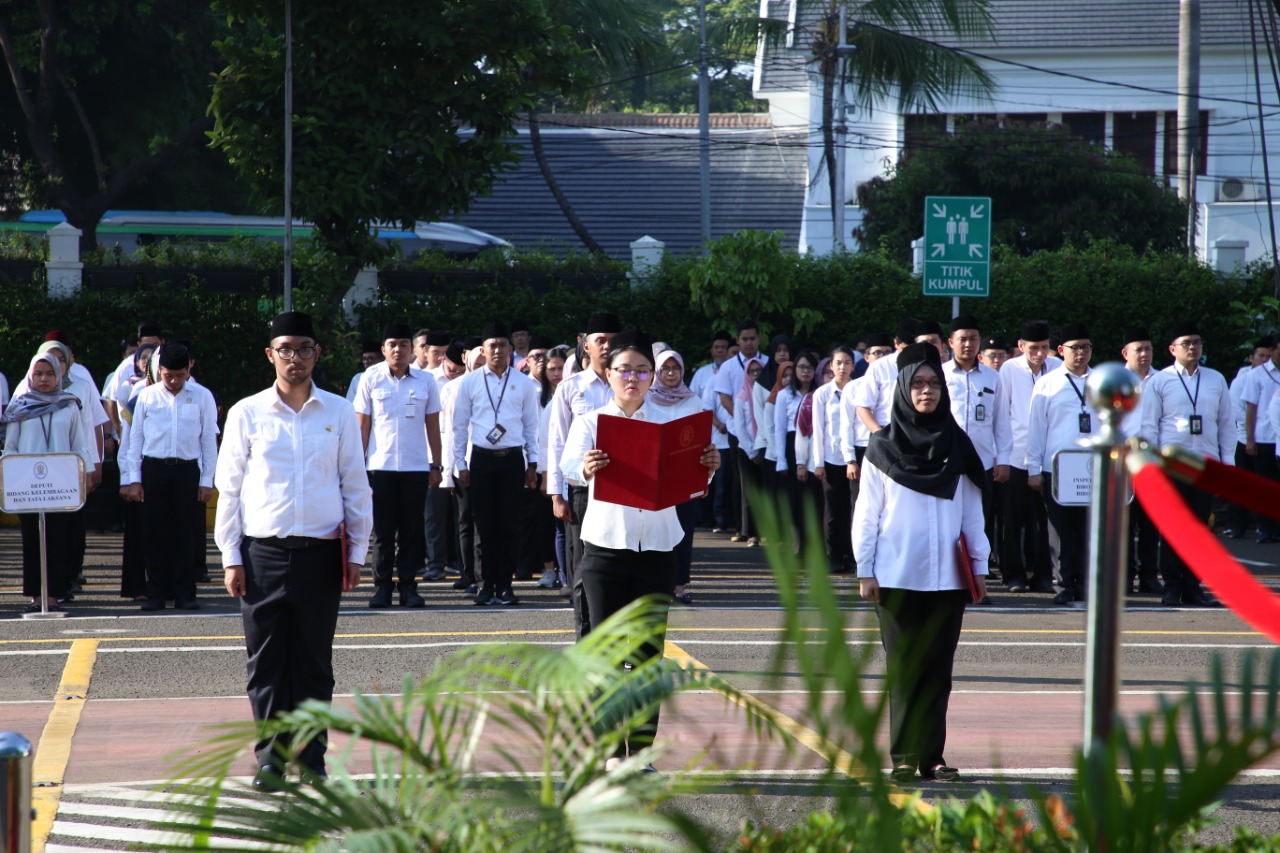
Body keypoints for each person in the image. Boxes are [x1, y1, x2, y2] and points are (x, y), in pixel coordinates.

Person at [215, 311, 372, 788]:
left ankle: (311, 758)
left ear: (316, 354)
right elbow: (231, 490)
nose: (295, 358)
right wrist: (231, 555)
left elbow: (355, 485)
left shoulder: (339, 413)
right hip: (262, 554)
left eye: (304, 348)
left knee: (312, 664)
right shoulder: (247, 412)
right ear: (270, 355)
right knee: (264, 664)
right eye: (285, 349)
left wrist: (358, 553)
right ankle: (269, 758)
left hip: (321, 555)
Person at [561, 330, 720, 771]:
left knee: (648, 655)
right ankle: (612, 753)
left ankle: (644, 754)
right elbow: (569, 468)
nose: (633, 378)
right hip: (606, 549)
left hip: (657, 548)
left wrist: (707, 468)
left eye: (642, 370)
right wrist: (585, 467)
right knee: (610, 655)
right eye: (624, 370)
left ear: (653, 377)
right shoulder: (590, 421)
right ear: (607, 374)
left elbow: (693, 487)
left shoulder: (672, 423)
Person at [853, 342, 989, 784]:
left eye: (933, 383)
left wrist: (981, 565)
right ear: (902, 389)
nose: (926, 390)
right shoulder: (882, 446)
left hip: (948, 578)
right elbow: (867, 514)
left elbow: (971, 512)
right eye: (917, 383)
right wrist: (864, 569)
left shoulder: (958, 445)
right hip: (896, 576)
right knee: (904, 669)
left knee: (938, 671)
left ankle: (932, 756)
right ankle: (905, 756)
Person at [119, 343, 219, 611]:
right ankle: (156, 593)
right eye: (168, 375)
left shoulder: (202, 396)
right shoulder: (147, 396)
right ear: (159, 370)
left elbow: (209, 440)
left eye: (180, 375)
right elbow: (135, 440)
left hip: (187, 470)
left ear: (189, 370)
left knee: (186, 535)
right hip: (154, 470)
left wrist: (207, 481)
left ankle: (185, 593)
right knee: (154, 534)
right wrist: (135, 479)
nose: (174, 381)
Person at [1143, 322, 1233, 607]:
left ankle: (1194, 587)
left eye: (1197, 342)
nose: (1192, 347)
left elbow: (1226, 424)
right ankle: (1171, 587)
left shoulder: (1215, 379)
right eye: (1186, 343)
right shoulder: (1160, 381)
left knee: (1198, 530)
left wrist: (1227, 465)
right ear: (1172, 349)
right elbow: (1149, 426)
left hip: (1205, 465)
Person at [451, 322, 541, 606]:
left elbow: (531, 426)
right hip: (480, 460)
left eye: (503, 345)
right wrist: (459, 464)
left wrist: (533, 463)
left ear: (511, 349)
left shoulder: (524, 383)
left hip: (512, 459)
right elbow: (458, 425)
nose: (498, 350)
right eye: (492, 345)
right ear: (483, 350)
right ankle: (484, 584)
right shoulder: (470, 382)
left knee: (509, 526)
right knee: (483, 526)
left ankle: (505, 585)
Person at [355, 323, 443, 609]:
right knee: (382, 532)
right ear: (383, 350)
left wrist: (436, 465)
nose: (398, 349)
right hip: (379, 467)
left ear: (413, 349)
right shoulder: (370, 378)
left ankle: (408, 587)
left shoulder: (425, 381)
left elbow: (433, 425)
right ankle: (381, 588)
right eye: (392, 344)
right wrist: (357, 466)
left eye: (404, 344)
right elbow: (363, 425)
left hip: (416, 467)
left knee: (411, 531)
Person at [547, 312, 621, 634]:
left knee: (619, 567)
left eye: (612, 341)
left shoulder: (634, 385)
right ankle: (586, 640)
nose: (606, 346)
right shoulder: (571, 388)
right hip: (583, 490)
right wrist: (556, 494)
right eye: (600, 340)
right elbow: (557, 442)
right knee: (583, 570)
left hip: (625, 491)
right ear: (585, 345)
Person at [3, 353, 93, 613]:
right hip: (26, 486)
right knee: (33, 539)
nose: (44, 379)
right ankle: (35, 594)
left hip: (61, 485)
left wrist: (83, 475)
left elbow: (79, 444)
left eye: (50, 374)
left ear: (59, 376)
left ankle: (54, 593)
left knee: (58, 539)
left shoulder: (69, 405)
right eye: (39, 374)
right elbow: (10, 447)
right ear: (30, 375)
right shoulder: (20, 405)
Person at [1026, 323, 1099, 605]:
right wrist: (1033, 468)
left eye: (1086, 347)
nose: (1080, 353)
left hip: (1092, 467)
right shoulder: (1048, 382)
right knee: (1061, 530)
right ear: (1061, 351)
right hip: (1057, 467)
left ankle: (1087, 584)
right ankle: (1065, 583)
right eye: (1074, 348)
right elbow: (1037, 428)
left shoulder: (1102, 382)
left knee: (1089, 529)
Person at [943, 316, 1008, 596]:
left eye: (973, 338)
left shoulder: (994, 377)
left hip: (981, 462)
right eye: (962, 338)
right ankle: (947, 581)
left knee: (977, 521)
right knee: (947, 521)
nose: (968, 344)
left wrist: (1002, 459)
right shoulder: (939, 374)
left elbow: (1001, 422)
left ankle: (975, 582)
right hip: (945, 462)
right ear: (951, 342)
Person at [995, 321, 1062, 594]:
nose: (1039, 354)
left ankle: (1044, 574)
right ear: (1021, 347)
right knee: (1012, 520)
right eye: (1033, 348)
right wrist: (1002, 457)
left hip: (1047, 457)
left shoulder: (1058, 368)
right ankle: (1014, 574)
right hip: (1016, 454)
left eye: (1044, 348)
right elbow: (1001, 415)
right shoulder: (1009, 369)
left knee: (1046, 520)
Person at [650, 348, 709, 604]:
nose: (671, 373)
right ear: (657, 371)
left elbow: (701, 437)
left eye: (675, 368)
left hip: (684, 476)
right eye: (665, 368)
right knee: (657, 532)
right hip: (656, 477)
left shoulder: (692, 400)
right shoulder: (647, 398)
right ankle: (656, 586)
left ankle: (679, 587)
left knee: (683, 532)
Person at [716, 320, 771, 545]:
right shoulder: (728, 366)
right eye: (744, 339)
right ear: (737, 340)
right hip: (737, 430)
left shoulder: (767, 363)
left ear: (759, 339)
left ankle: (766, 529)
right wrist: (742, 418)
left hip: (765, 432)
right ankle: (743, 528)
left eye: (752, 338)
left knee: (765, 481)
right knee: (741, 481)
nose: (748, 343)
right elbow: (724, 398)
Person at [1118, 328, 1163, 594]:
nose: (1144, 354)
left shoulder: (1163, 379)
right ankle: (1124, 576)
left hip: (1152, 463)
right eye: (1139, 349)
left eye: (1148, 349)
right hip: (1122, 464)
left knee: (1150, 524)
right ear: (1126, 353)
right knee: (1124, 524)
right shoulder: (1114, 380)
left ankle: (1149, 576)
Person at [1224, 336, 1275, 538]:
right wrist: (1250, 433)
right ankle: (1236, 525)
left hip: (1268, 439)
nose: (1264, 360)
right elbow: (1236, 409)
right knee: (1241, 486)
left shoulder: (1273, 376)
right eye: (1261, 355)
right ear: (1251, 358)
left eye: (1268, 356)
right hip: (1244, 438)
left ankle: (1266, 527)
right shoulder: (1242, 379)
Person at [811, 346, 857, 573]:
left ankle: (852, 555)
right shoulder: (822, 394)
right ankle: (833, 556)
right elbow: (818, 430)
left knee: (854, 510)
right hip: (830, 459)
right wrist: (818, 463)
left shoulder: (859, 390)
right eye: (838, 362)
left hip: (854, 460)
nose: (842, 367)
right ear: (831, 365)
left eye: (847, 362)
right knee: (832, 511)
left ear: (853, 366)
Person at [775, 349, 823, 549]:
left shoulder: (819, 393)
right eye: (801, 367)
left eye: (810, 367)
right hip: (791, 444)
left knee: (814, 498)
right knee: (794, 500)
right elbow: (778, 428)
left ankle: (815, 544)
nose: (805, 371)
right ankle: (797, 545)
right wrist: (782, 460)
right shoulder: (785, 394)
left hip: (815, 445)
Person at [688, 331, 735, 533]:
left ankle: (727, 520)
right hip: (712, 435)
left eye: (724, 348)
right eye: (716, 347)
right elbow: (696, 403)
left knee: (728, 483)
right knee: (714, 481)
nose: (720, 351)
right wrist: (719, 425)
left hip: (735, 439)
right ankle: (712, 519)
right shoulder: (704, 374)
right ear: (712, 350)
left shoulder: (738, 372)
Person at [1242, 338, 1280, 543]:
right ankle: (1265, 527)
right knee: (1265, 485)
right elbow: (1251, 408)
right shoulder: (1256, 374)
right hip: (1265, 437)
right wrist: (1250, 439)